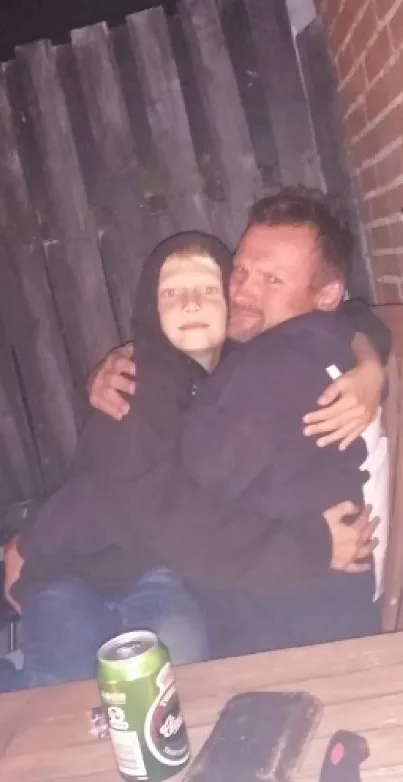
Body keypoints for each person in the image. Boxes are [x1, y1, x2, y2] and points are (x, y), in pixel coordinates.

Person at [3, 193, 386, 685]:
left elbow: (155, 497)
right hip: (133, 578)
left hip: (276, 640)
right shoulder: (213, 364)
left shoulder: (270, 371)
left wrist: (34, 538)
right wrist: (370, 357)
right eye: (241, 271)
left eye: (273, 280)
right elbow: (356, 317)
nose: (245, 292)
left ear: (324, 296)